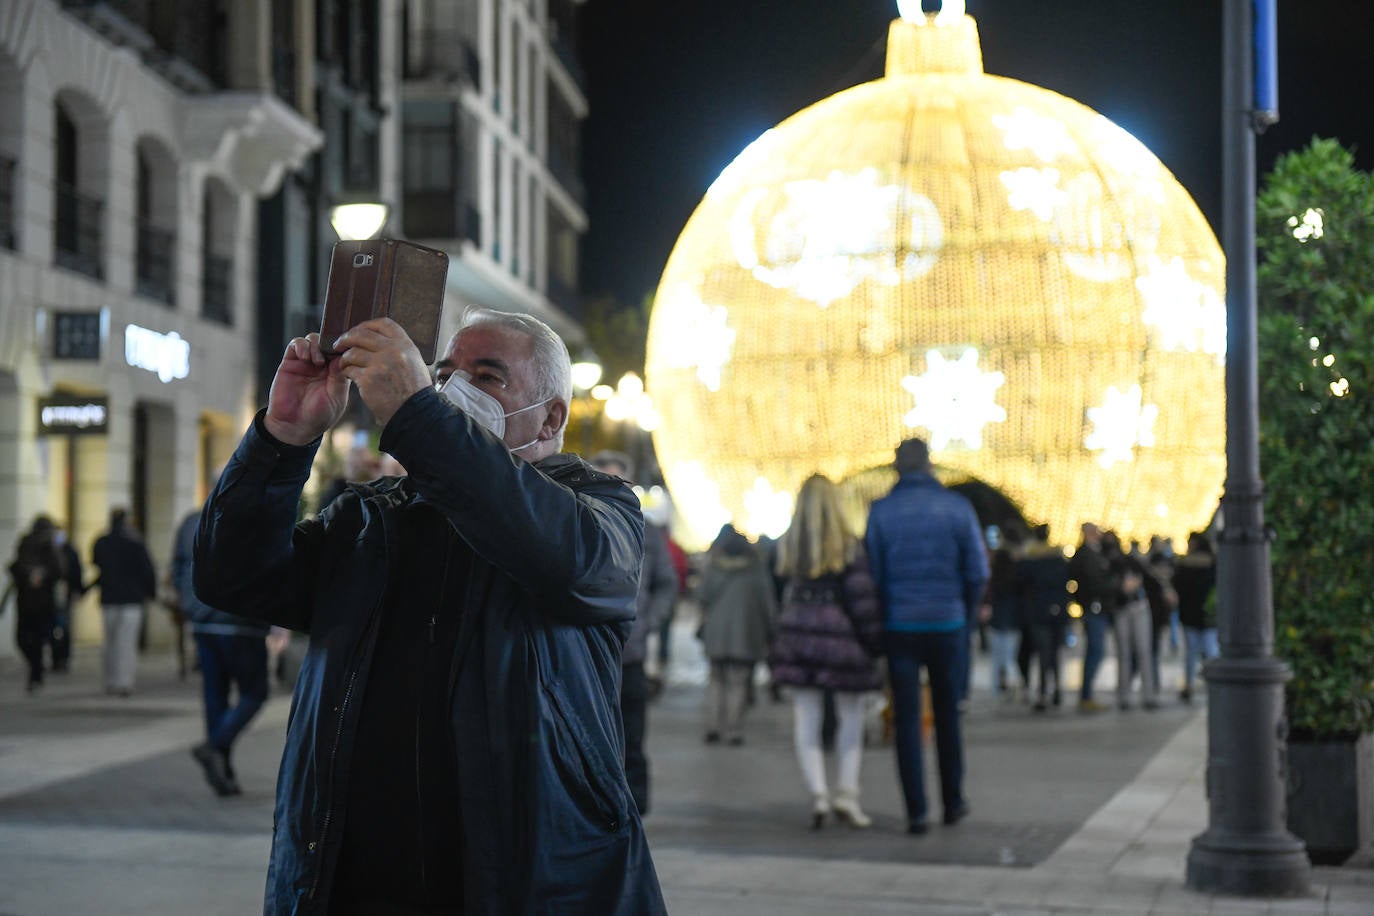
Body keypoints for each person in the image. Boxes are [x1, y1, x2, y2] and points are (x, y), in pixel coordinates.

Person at [193, 310, 664, 913]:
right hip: (350, 878)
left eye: (487, 377)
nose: (451, 392)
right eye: (441, 375)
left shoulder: (600, 511)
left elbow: (564, 558)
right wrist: (281, 438)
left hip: (525, 882)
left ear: (551, 418)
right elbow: (232, 577)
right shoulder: (369, 520)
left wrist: (420, 418)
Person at [865, 437, 989, 834]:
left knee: (906, 719)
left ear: (897, 468)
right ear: (931, 466)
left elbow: (874, 574)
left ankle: (916, 811)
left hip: (900, 625)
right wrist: (964, 614)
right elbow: (978, 571)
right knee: (948, 714)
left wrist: (887, 613)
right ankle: (953, 801)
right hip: (948, 624)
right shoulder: (957, 508)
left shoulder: (881, 512)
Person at [769, 474, 883, 829]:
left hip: (798, 633)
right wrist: (875, 642)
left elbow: (776, 594)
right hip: (841, 636)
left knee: (807, 717)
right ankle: (847, 794)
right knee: (851, 717)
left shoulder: (788, 545)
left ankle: (818, 793)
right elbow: (862, 599)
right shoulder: (848, 545)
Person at [589, 450, 678, 816]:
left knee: (633, 736)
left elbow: (666, 583)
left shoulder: (647, 530)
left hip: (630, 654)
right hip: (588, 654)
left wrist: (648, 621)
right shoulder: (581, 522)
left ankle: (634, 809)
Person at [172, 507, 270, 797]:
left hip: (204, 621)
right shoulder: (253, 518)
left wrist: (190, 604)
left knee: (215, 696)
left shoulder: (192, 520)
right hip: (240, 622)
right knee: (255, 693)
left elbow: (178, 566)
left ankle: (222, 770)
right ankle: (215, 747)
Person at [695, 524, 777, 746]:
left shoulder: (714, 567)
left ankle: (713, 726)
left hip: (716, 633)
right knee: (738, 682)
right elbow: (767, 602)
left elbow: (702, 597)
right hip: (746, 633)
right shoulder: (756, 568)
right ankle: (733, 731)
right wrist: (771, 630)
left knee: (715, 680)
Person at [91, 508, 157, 697]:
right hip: (132, 600)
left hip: (109, 598)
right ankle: (124, 681)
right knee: (126, 643)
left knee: (110, 642)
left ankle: (111, 680)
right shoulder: (135, 543)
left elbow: (98, 567)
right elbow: (147, 570)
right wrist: (150, 593)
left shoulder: (102, 542)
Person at [7, 516, 66, 693]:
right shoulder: (26, 544)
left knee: (36, 639)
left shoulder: (51, 547)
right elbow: (16, 567)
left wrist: (43, 575)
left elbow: (59, 571)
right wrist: (28, 574)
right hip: (26, 601)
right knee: (24, 639)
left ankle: (36, 673)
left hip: (42, 602)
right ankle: (36, 668)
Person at [1015, 524, 1069, 712]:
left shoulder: (1030, 561)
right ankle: (1056, 689)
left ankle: (1044, 691)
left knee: (1044, 653)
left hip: (1038, 613)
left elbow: (1019, 582)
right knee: (1055, 653)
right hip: (1058, 612)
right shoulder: (1059, 560)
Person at [1067, 522, 1115, 713]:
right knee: (1095, 651)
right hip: (1094, 608)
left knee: (1095, 651)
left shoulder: (1092, 553)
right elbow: (1092, 582)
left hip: (1094, 607)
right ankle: (1086, 695)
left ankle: (1087, 695)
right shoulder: (1086, 555)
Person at [1172, 531, 1218, 703]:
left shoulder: (1184, 564)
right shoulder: (1213, 562)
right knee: (1210, 652)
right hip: (1207, 616)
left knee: (1191, 653)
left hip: (1191, 615)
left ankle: (1189, 685)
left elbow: (1177, 586)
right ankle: (1212, 684)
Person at [1112, 551, 1159, 710]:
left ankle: (1147, 695)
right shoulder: (1116, 567)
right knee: (1126, 653)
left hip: (1138, 608)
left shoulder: (1139, 570)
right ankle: (1126, 696)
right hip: (1123, 608)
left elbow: (1153, 584)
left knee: (1142, 652)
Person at [985, 528, 1025, 699]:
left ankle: (998, 686)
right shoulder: (1017, 561)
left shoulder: (997, 561)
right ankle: (1012, 685)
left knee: (999, 654)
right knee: (1009, 654)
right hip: (1012, 613)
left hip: (1000, 611)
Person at [50, 523, 85, 673]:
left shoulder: (70, 551)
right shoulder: (49, 551)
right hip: (51, 597)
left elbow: (77, 572)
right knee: (54, 627)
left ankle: (64, 658)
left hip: (66, 594)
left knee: (64, 627)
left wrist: (77, 590)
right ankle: (56, 658)